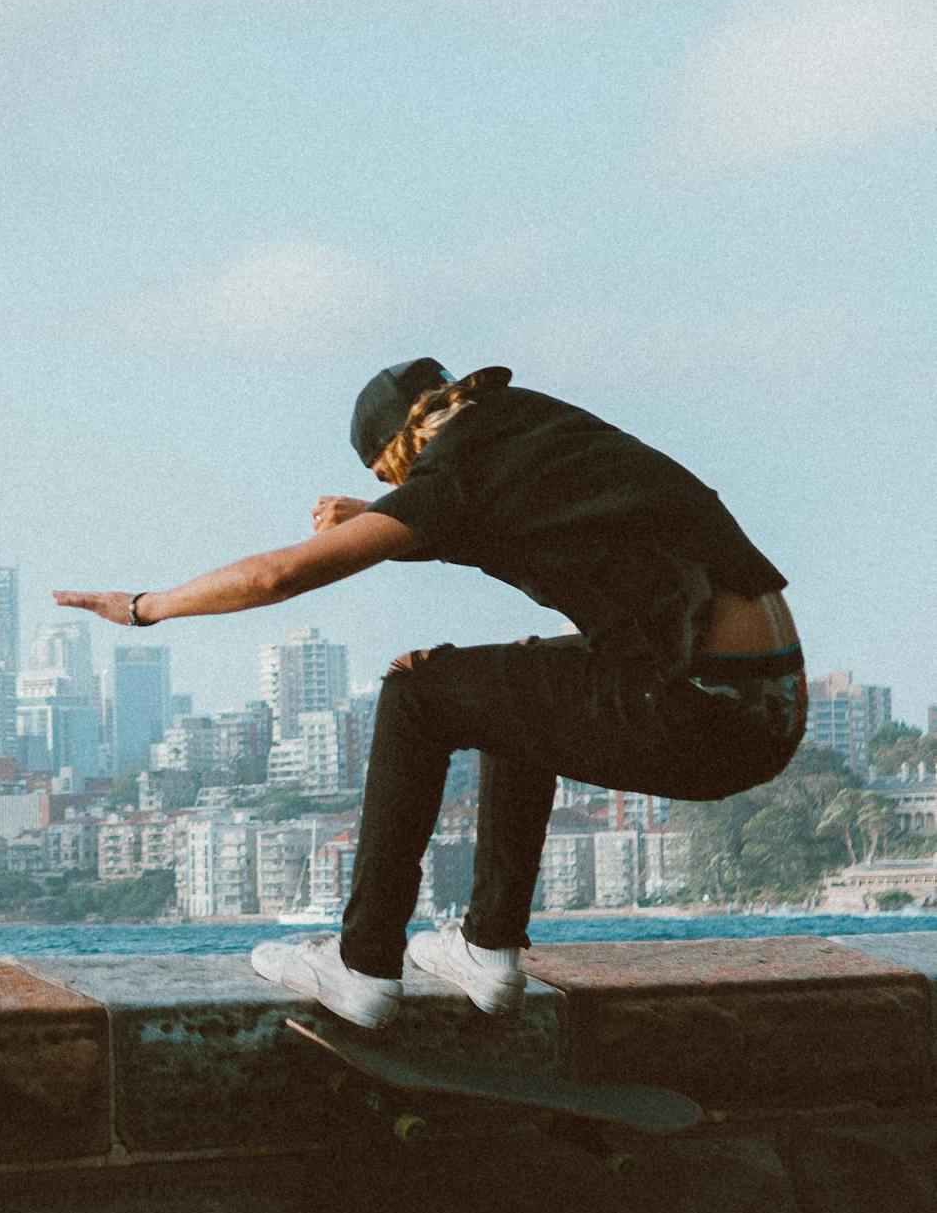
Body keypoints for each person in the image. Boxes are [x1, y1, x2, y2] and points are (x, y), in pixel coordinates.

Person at [54, 358, 807, 1028]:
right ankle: (487, 945)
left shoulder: (452, 476)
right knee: (515, 684)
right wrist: (382, 513)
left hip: (698, 710)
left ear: (400, 450)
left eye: (391, 482)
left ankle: (363, 963)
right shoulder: (530, 423)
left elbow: (276, 575)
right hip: (764, 708)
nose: (400, 495)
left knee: (418, 689)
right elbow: (504, 520)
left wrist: (143, 606)